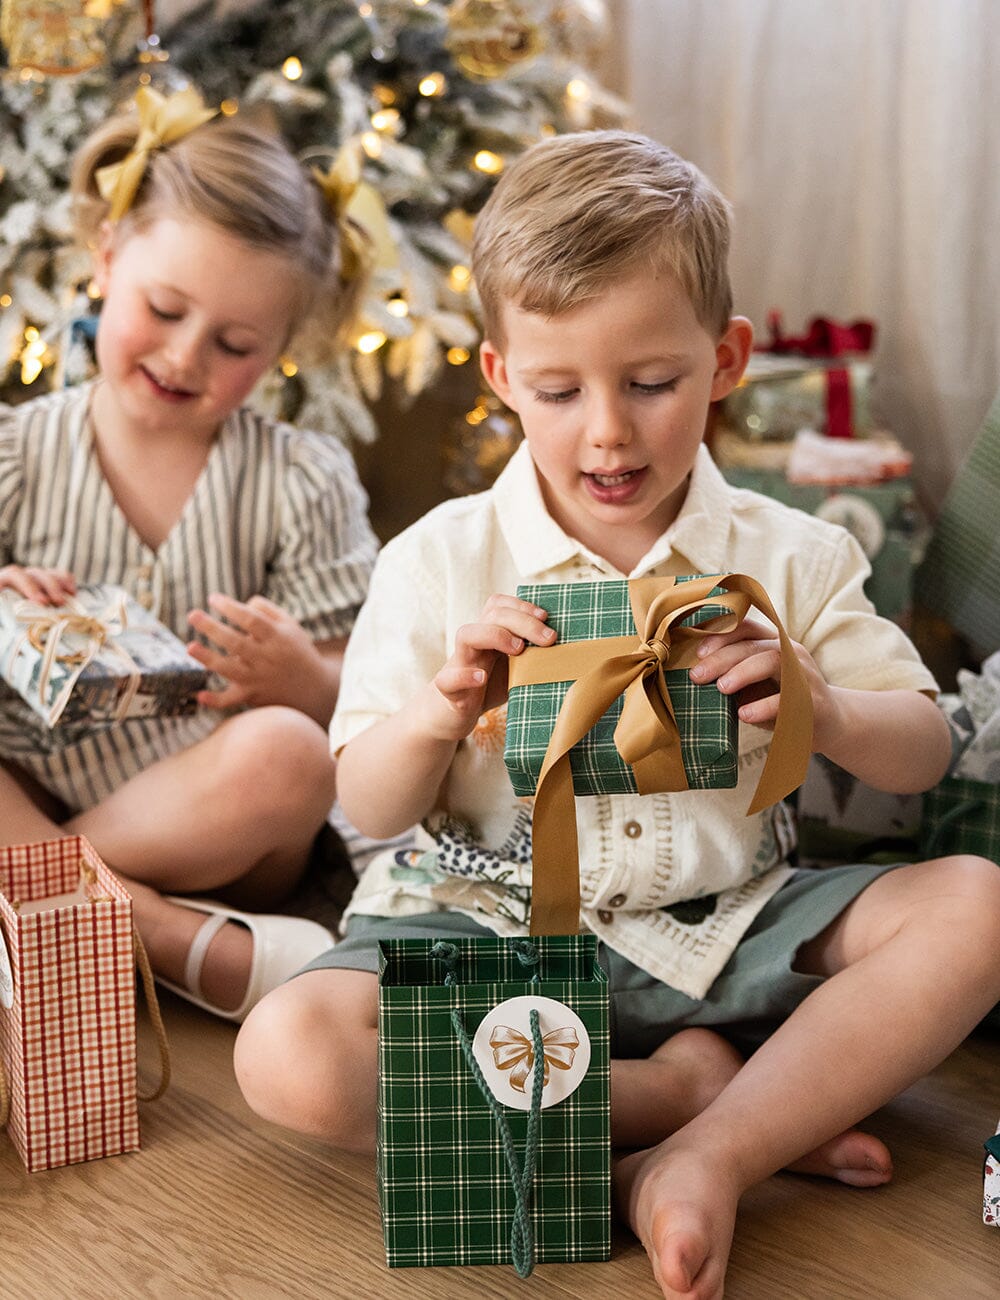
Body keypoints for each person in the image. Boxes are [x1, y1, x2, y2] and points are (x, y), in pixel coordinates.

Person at [234, 130, 1000, 1298]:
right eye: (558, 390)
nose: (608, 430)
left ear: (726, 359)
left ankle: (711, 1154)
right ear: (499, 378)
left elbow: (923, 747)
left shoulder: (788, 553)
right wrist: (441, 715)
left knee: (977, 906)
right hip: (485, 926)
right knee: (289, 1054)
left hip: (726, 920)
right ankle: (690, 1097)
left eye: (651, 383)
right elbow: (366, 798)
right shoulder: (440, 558)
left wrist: (821, 702)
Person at [0, 87, 379, 1023]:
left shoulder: (300, 477)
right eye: (162, 308)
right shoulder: (15, 455)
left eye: (235, 343)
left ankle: (29, 900)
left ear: (283, 348)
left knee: (293, 754)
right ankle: (151, 932)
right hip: (29, 783)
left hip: (223, 824)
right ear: (104, 259)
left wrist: (303, 673)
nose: (184, 355)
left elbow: (374, 691)